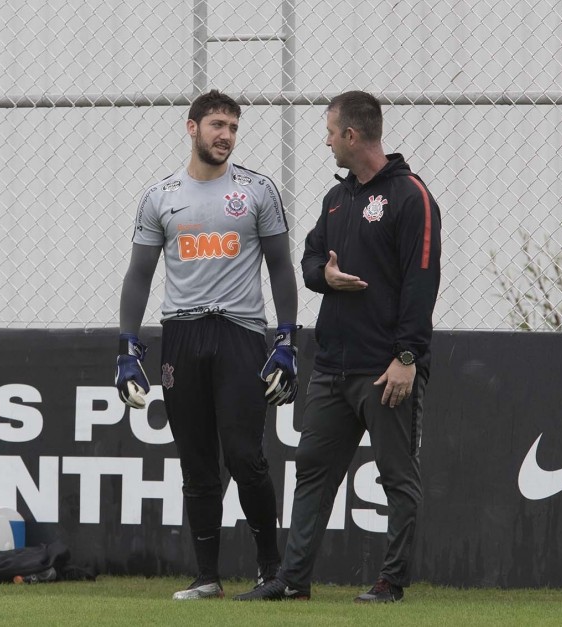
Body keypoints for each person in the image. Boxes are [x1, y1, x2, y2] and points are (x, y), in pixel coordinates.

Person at [235, 90, 442, 603]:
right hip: (331, 366)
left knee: (397, 478)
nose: (326, 141)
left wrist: (407, 358)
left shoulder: (411, 196)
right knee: (311, 468)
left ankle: (391, 583)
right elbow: (307, 261)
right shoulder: (337, 197)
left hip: (385, 370)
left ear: (352, 135)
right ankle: (292, 582)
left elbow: (422, 283)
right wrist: (324, 277)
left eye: (330, 132)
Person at [114, 89, 300, 600]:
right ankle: (207, 577)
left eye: (234, 127)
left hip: (240, 332)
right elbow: (139, 275)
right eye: (218, 124)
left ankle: (270, 571)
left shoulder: (257, 190)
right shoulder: (160, 196)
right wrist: (128, 349)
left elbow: (281, 268)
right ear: (191, 127)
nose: (226, 136)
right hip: (181, 334)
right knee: (196, 462)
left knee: (245, 457)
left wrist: (286, 341)